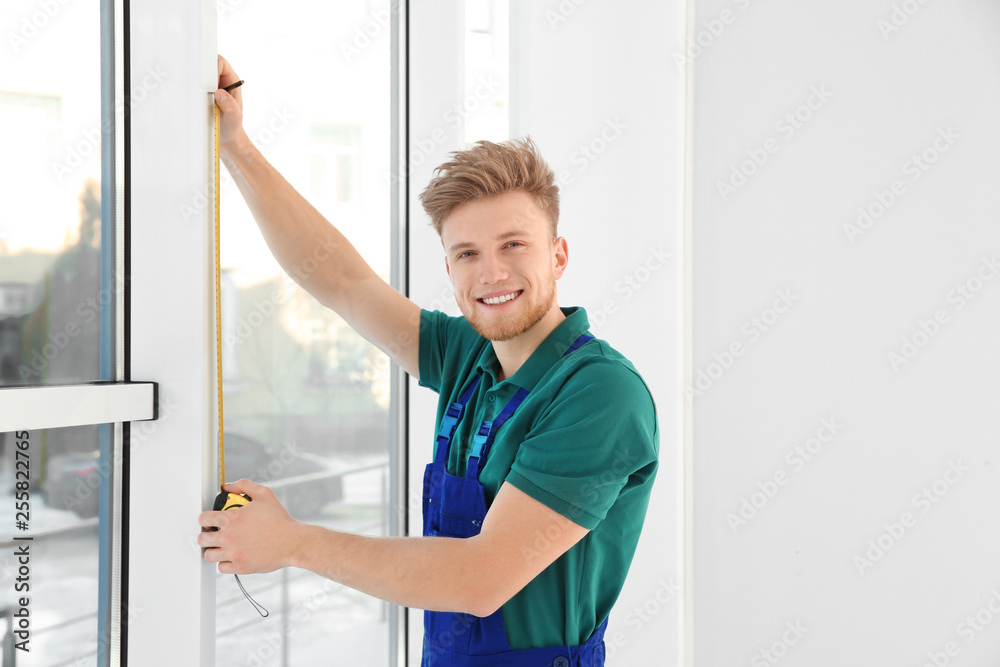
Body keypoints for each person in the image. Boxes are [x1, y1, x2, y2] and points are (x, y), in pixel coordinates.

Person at [199, 55, 659, 666]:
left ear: (559, 255)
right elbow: (340, 281)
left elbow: (480, 579)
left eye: (513, 245)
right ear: (449, 268)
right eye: (467, 253)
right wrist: (237, 148)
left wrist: (292, 543)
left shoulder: (600, 394)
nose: (491, 272)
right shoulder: (470, 353)